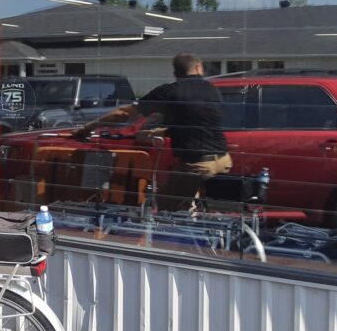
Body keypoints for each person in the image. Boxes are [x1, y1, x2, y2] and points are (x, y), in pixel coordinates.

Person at [74, 52, 231, 211]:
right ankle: (192, 210)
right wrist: (157, 132)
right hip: (223, 159)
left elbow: (123, 114)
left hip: (198, 164)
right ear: (199, 68)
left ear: (176, 73)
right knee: (180, 190)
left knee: (164, 208)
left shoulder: (170, 92)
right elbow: (197, 124)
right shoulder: (213, 90)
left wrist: (87, 128)